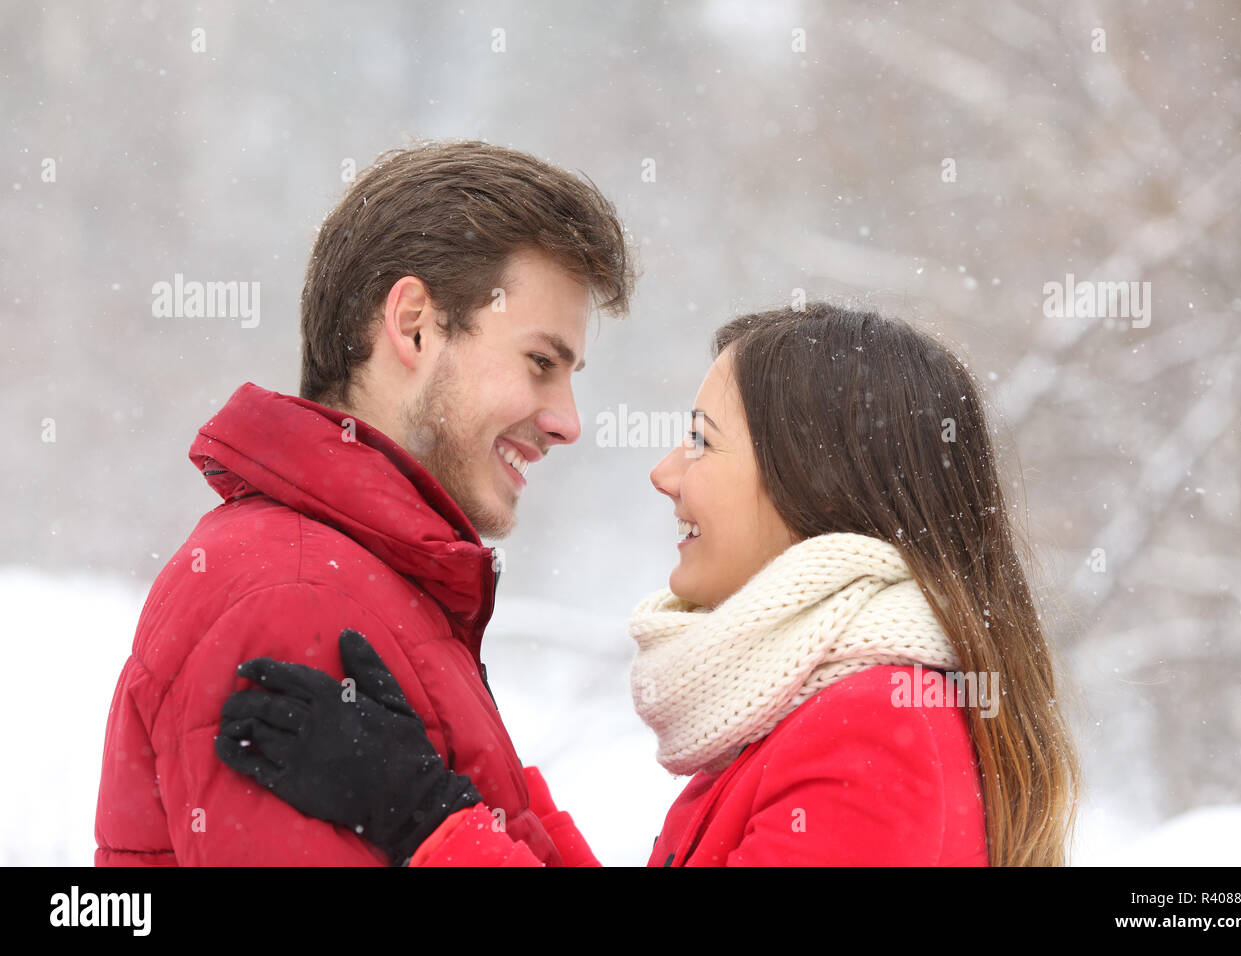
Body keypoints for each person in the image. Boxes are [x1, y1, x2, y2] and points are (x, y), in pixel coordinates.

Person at [217, 303, 1082, 866]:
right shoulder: (816, 709)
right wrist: (466, 782)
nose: (666, 474)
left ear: (813, 481)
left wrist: (425, 818)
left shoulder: (876, 726)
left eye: (702, 441)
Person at [93, 140, 634, 865]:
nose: (568, 420)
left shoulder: (379, 584)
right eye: (540, 363)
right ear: (413, 323)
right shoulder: (297, 597)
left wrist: (433, 814)